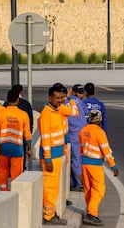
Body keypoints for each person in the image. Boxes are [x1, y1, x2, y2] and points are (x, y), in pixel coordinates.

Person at [79, 110, 119, 226]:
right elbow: (106, 151)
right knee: (98, 189)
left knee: (88, 189)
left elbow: (80, 148)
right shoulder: (100, 133)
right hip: (95, 165)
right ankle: (91, 214)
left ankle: (90, 212)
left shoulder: (83, 131)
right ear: (100, 120)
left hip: (84, 163)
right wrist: (113, 166)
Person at [38, 83, 70, 225]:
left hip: (57, 155)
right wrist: (48, 158)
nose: (59, 100)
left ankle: (51, 213)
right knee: (50, 187)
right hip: (50, 157)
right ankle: (48, 216)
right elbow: (45, 138)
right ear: (50, 98)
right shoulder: (46, 114)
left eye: (61, 98)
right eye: (57, 98)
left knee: (54, 187)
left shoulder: (56, 111)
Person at [0, 87, 31, 191]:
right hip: (17, 148)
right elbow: (27, 134)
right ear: (18, 100)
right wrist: (29, 149)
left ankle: (3, 190)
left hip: (4, 148)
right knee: (17, 172)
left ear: (7, 99)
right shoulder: (23, 115)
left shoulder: (0, 114)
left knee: (3, 170)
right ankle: (15, 192)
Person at [4, 84, 33, 170]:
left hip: (6, 135)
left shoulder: (6, 105)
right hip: (21, 135)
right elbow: (30, 121)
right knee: (21, 154)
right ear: (20, 92)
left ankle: (8, 168)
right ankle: (21, 168)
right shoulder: (26, 104)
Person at [67, 84, 88, 191]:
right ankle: (80, 181)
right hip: (82, 134)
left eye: (82, 93)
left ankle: (79, 183)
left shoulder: (66, 102)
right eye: (80, 93)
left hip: (73, 134)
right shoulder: (81, 103)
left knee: (74, 160)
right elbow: (87, 115)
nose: (81, 95)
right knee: (79, 159)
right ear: (74, 93)